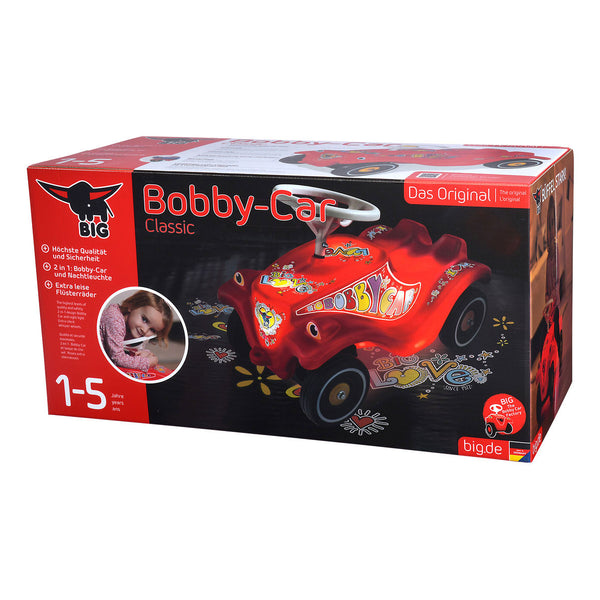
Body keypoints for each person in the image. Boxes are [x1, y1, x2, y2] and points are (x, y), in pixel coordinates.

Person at [99, 290, 173, 372]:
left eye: (152, 330)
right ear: (132, 306)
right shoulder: (114, 319)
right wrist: (147, 362)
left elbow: (130, 349)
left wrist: (143, 354)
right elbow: (117, 358)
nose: (145, 330)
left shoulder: (133, 327)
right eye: (144, 319)